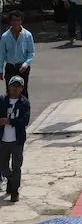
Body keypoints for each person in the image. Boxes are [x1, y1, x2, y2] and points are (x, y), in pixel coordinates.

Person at [0, 75, 30, 203]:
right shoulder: (2, 100)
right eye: (13, 86)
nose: (14, 89)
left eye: (18, 87)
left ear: (22, 89)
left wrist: (9, 121)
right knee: (3, 165)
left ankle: (14, 192)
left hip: (17, 140)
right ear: (9, 86)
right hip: (3, 140)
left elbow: (25, 121)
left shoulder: (24, 103)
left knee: (16, 166)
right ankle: (11, 181)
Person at [0, 11, 34, 97]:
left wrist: (26, 64)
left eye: (18, 20)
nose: (16, 23)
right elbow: (2, 54)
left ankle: (24, 109)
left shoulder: (27, 35)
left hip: (22, 67)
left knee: (23, 91)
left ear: (21, 21)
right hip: (10, 67)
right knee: (10, 91)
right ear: (10, 22)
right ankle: (10, 110)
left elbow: (31, 52)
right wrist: (0, 70)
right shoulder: (5, 36)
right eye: (14, 20)